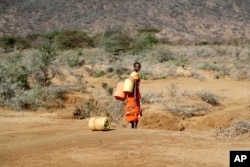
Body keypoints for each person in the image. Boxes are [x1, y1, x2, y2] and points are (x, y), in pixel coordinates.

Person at [125, 62, 142, 128]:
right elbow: (135, 86)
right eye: (137, 67)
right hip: (134, 94)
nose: (139, 68)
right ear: (134, 67)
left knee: (130, 108)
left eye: (139, 67)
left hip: (130, 94)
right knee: (136, 108)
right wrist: (135, 96)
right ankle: (135, 125)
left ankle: (132, 125)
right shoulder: (135, 75)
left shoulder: (131, 74)